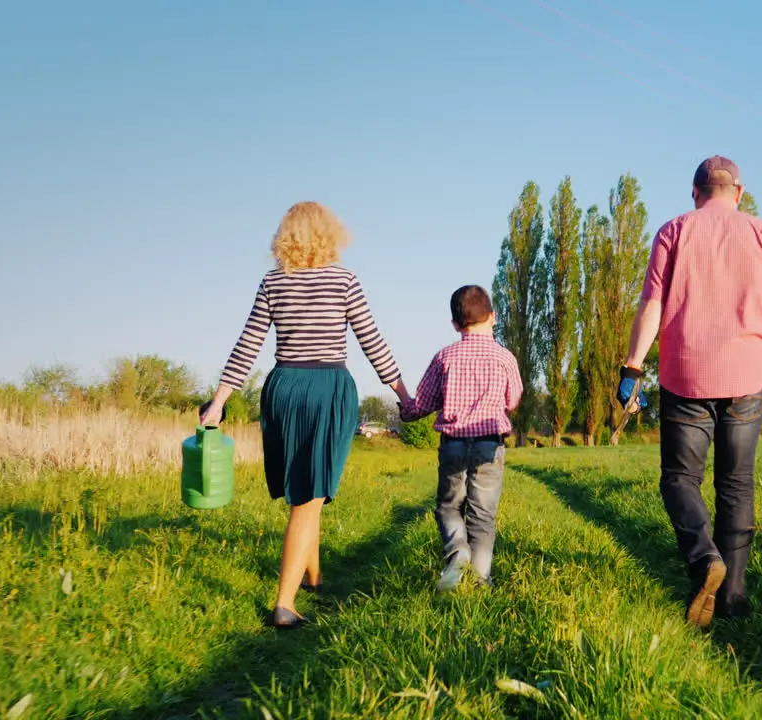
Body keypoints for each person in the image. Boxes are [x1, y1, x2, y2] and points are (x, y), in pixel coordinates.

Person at [618, 156, 762, 628]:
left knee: (680, 480)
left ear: (695, 191)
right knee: (736, 484)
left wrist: (632, 366)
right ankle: (734, 600)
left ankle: (704, 558)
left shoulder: (672, 232)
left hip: (685, 375)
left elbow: (652, 305)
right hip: (747, 376)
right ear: (738, 192)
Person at [200, 201, 410, 628]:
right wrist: (403, 393)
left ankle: (313, 575)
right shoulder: (344, 281)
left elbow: (247, 345)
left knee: (307, 492)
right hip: (326, 387)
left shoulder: (273, 282)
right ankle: (284, 604)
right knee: (309, 498)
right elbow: (372, 340)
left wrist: (218, 401)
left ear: (287, 236)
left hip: (283, 389)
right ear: (329, 234)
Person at [398, 285, 523, 592]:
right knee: (483, 516)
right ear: (493, 317)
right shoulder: (504, 357)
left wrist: (406, 410)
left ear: (455, 324)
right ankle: (480, 579)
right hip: (489, 445)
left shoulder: (445, 357)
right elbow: (514, 398)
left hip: (453, 445)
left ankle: (458, 552)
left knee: (449, 507)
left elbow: (422, 404)